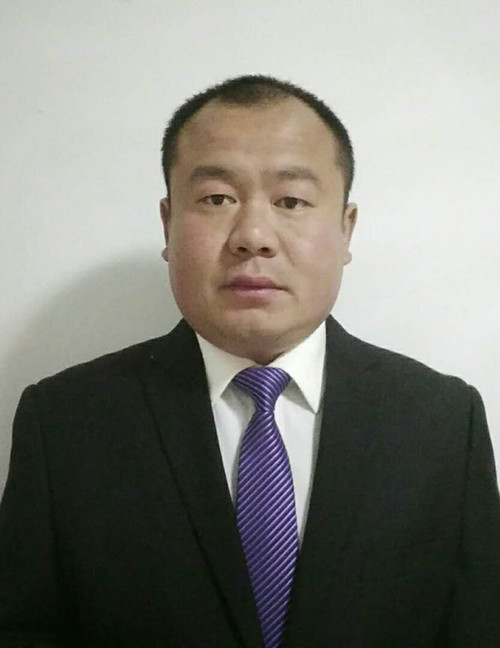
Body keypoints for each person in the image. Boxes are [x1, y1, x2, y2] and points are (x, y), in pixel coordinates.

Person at [0, 74, 499, 648]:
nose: (253, 236)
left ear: (345, 229)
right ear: (168, 223)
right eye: (217, 199)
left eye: (291, 201)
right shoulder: (65, 421)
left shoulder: (442, 420)